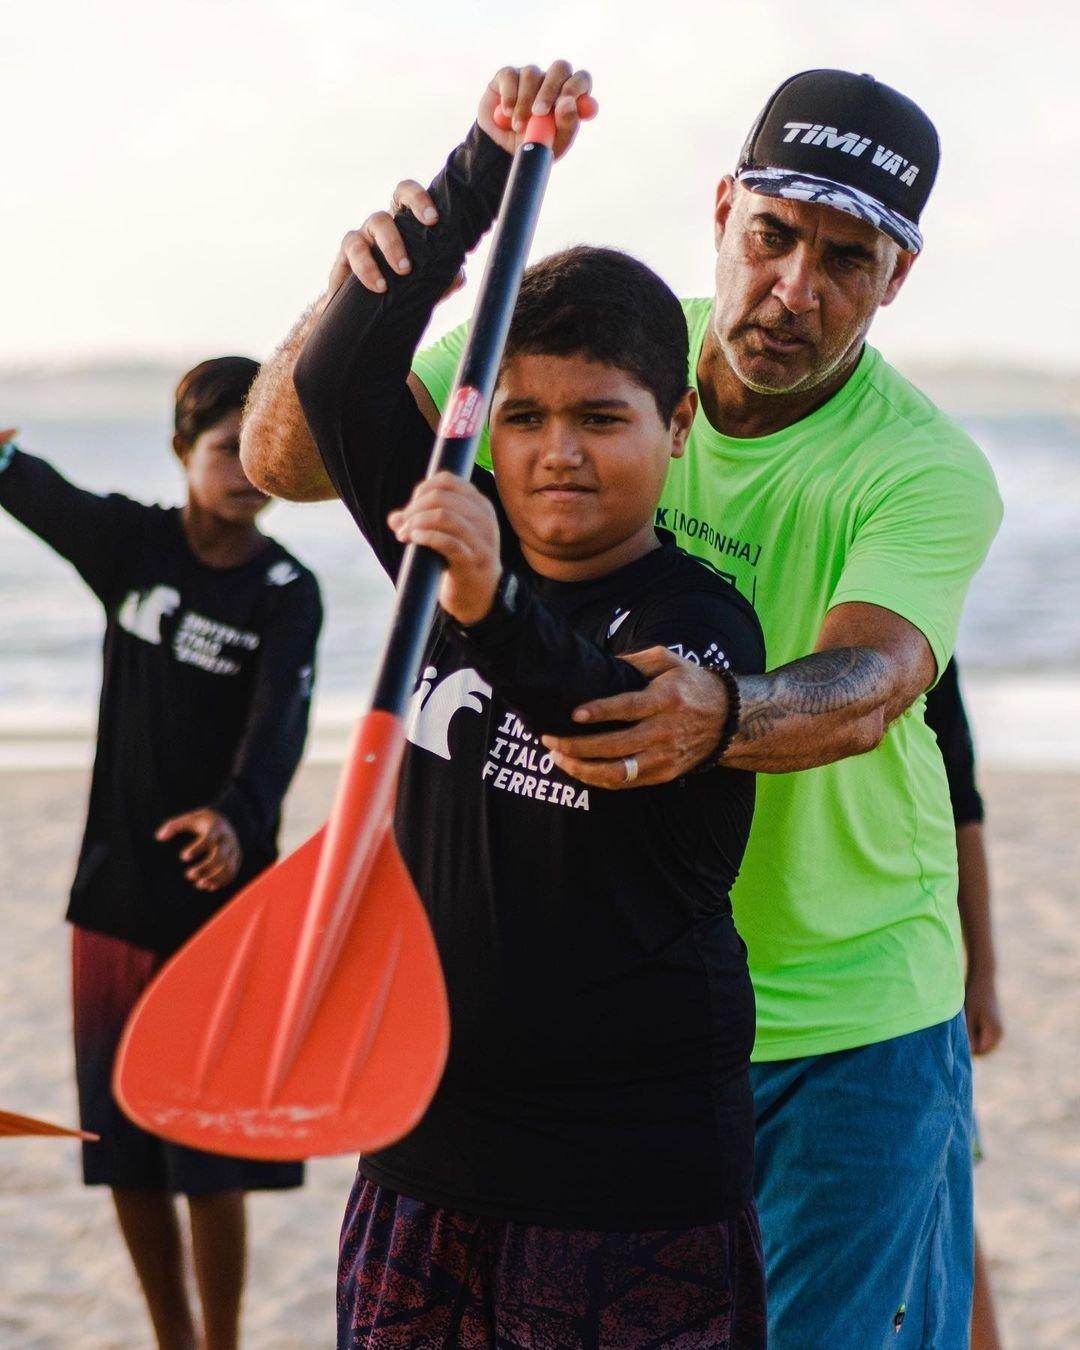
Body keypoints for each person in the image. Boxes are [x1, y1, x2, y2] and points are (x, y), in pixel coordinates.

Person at [243, 63, 1003, 1347]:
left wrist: (713, 714)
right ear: (724, 209)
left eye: (847, 258)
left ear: (895, 277)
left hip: (848, 1002)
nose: (794, 289)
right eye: (773, 236)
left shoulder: (922, 466)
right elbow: (291, 455)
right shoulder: (603, 351)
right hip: (563, 1015)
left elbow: (865, 686)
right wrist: (362, 286)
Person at [292, 76, 768, 1349]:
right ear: (487, 429)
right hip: (420, 1137)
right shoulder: (453, 537)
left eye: (602, 419)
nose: (559, 451)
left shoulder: (706, 619)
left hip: (626, 1176)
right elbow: (342, 380)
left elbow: (604, 717)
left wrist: (491, 601)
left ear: (674, 429)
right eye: (526, 418)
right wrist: (471, 181)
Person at [0, 356, 322, 1350]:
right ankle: (171, 1339)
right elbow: (25, 481)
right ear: (183, 452)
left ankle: (220, 1342)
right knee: (124, 1154)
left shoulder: (286, 590)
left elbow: (281, 731)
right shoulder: (132, 545)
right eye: (226, 448)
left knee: (208, 1156)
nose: (244, 469)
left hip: (221, 914)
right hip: (112, 901)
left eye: (262, 451)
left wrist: (235, 818)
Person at [924, 659, 1005, 1350]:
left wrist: (985, 976)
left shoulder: (922, 643)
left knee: (952, 1205)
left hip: (919, 991)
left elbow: (964, 810)